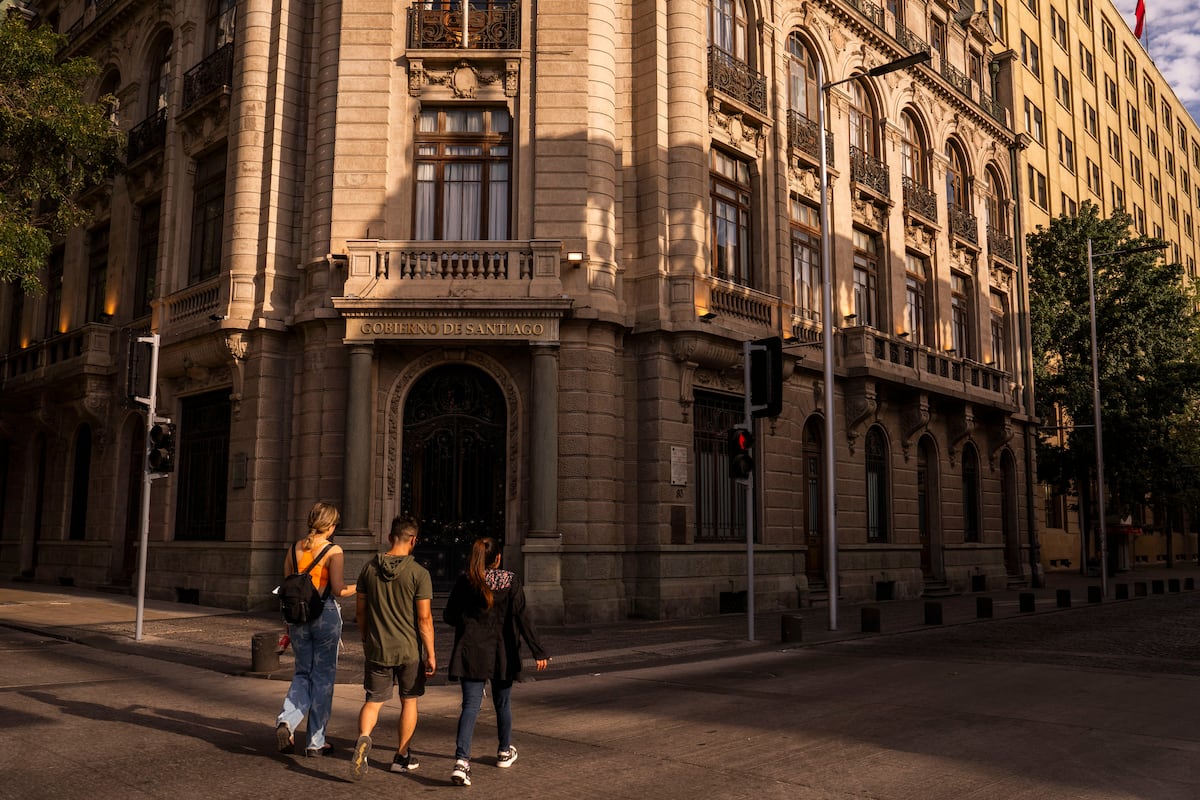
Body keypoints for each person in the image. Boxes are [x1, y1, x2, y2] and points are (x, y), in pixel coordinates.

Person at [444, 537, 549, 787]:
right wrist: (539, 651)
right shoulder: (510, 581)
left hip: (471, 651)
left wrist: (468, 620)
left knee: (470, 706)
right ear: (498, 558)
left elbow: (449, 615)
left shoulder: (465, 580)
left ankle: (461, 762)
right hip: (503, 653)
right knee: (503, 703)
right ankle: (504, 751)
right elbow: (523, 616)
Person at [350, 515, 436, 781]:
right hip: (409, 650)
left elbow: (361, 611)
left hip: (378, 648)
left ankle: (363, 739)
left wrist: (366, 638)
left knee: (373, 701)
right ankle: (401, 756)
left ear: (390, 537)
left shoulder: (368, 569)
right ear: (413, 540)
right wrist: (430, 653)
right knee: (408, 701)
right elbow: (424, 619)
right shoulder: (419, 573)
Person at [274, 501, 356, 757]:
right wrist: (362, 586)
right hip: (324, 617)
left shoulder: (293, 549)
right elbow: (340, 590)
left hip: (297, 619)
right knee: (322, 678)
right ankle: (315, 742)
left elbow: (287, 587)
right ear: (330, 526)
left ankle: (286, 721)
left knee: (302, 673)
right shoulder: (334, 551)